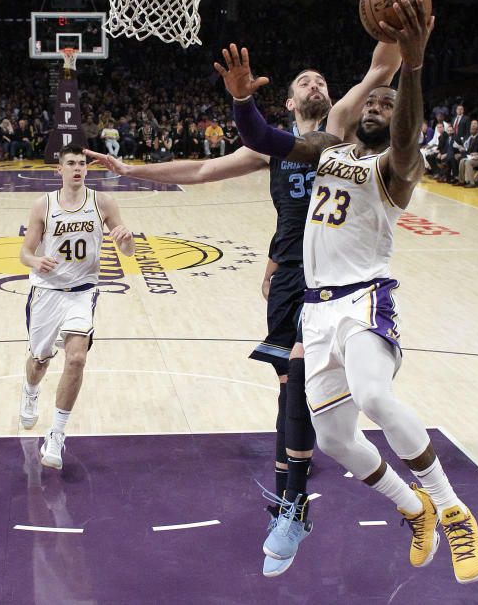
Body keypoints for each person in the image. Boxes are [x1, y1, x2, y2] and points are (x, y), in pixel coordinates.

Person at [88, 40, 403, 578]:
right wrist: (131, 170)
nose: (314, 85)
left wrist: (400, 21)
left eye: (319, 80)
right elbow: (203, 169)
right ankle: (292, 497)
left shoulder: (343, 129)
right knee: (289, 388)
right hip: (289, 275)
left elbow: (381, 65)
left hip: (339, 277)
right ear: (286, 101)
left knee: (318, 387)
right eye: (303, 80)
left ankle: (306, 492)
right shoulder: (272, 148)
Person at [218, 0, 478, 585]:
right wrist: (242, 100)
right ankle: (410, 505)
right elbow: (264, 136)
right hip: (314, 314)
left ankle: (449, 506)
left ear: (399, 118)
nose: (379, 103)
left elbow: (410, 133)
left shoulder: (400, 167)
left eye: (390, 103)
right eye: (375, 97)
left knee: (374, 396)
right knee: (338, 438)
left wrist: (412, 67)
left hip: (364, 298)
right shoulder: (327, 152)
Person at [18, 143, 135, 470]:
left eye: (82, 163)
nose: (78, 168)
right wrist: (36, 259)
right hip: (47, 293)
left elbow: (128, 251)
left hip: (82, 292)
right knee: (39, 361)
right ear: (60, 169)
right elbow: (25, 253)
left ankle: (56, 433)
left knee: (77, 358)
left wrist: (126, 240)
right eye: (70, 163)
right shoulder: (44, 205)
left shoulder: (103, 202)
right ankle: (30, 390)